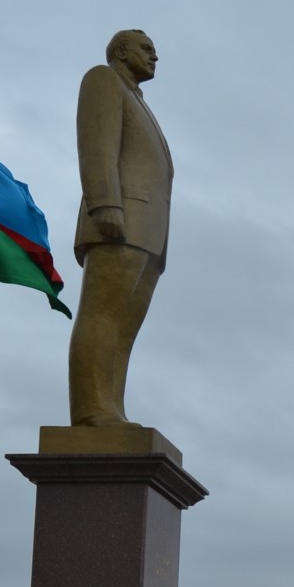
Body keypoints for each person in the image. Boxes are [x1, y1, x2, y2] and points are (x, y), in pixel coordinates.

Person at [70, 29, 172, 428]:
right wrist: (106, 203)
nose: (154, 57)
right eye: (147, 49)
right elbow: (97, 145)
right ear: (121, 51)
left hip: (148, 231)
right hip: (120, 218)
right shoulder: (103, 79)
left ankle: (112, 408)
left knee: (124, 327)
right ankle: (92, 409)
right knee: (102, 315)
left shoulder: (137, 99)